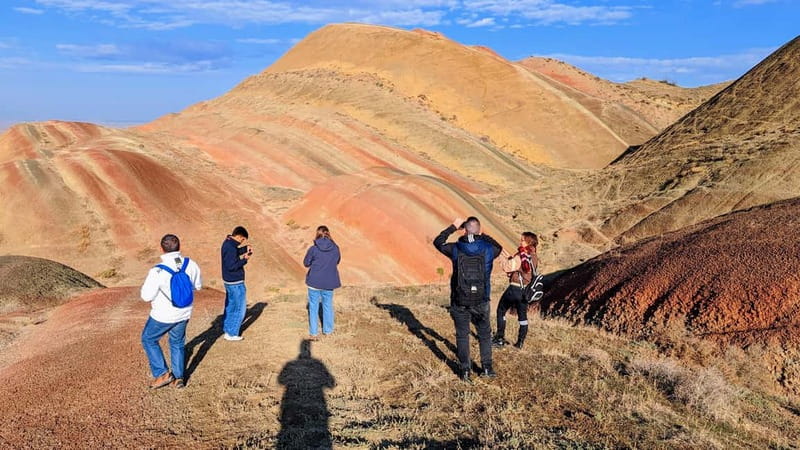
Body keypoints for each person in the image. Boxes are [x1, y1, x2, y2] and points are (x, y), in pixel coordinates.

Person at [433, 216, 502, 381]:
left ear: (464, 229)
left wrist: (453, 227)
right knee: (484, 334)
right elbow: (499, 247)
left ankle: (465, 371)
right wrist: (482, 234)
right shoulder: (489, 249)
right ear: (479, 229)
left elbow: (438, 242)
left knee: (462, 335)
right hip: (481, 299)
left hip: (459, 299)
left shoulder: (455, 248)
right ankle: (487, 368)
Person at [140, 234, 202, 389]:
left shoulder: (157, 271)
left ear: (162, 248)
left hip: (163, 315)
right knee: (177, 342)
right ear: (179, 246)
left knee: (148, 339)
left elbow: (146, 296)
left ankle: (162, 374)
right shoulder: (191, 264)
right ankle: (179, 378)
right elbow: (197, 286)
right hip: (184, 312)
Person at [493, 232, 539, 350]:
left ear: (528, 242)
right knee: (523, 318)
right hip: (525, 291)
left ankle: (500, 339)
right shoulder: (534, 256)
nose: (520, 242)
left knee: (501, 311)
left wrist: (501, 257)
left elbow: (508, 267)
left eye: (522, 240)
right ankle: (520, 343)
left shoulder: (521, 255)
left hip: (514, 288)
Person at [303, 225, 341, 340]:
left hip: (314, 282)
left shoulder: (313, 249)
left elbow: (306, 263)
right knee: (328, 305)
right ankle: (328, 331)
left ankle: (314, 333)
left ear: (317, 234)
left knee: (313, 307)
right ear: (328, 233)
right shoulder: (335, 248)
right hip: (329, 282)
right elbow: (337, 261)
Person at [221, 226, 252, 341]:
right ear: (238, 236)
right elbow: (232, 266)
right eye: (242, 240)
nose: (242, 242)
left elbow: (233, 254)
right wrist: (245, 260)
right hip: (235, 282)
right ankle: (232, 333)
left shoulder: (228, 243)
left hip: (229, 281)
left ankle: (228, 329)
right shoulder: (230, 247)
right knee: (239, 308)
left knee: (231, 306)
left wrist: (244, 249)